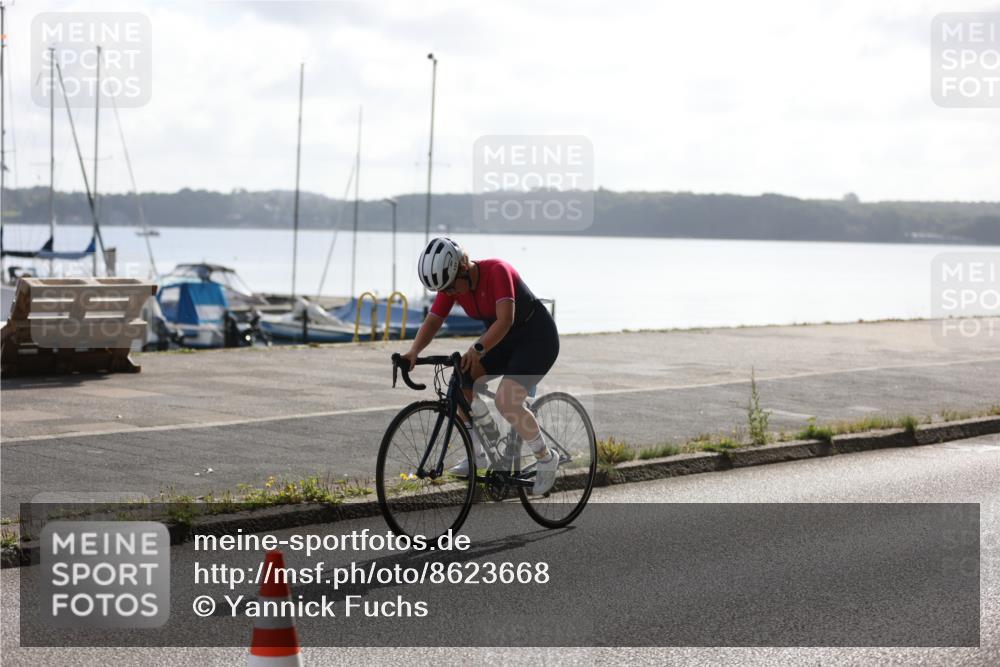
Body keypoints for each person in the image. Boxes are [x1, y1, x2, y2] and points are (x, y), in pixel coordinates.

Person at [400, 237, 560, 495]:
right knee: (460, 379)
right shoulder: (452, 284)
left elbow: (505, 320)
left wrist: (478, 348)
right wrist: (413, 352)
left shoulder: (497, 271)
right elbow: (433, 321)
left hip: (536, 339)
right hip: (501, 342)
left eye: (451, 288)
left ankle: (545, 458)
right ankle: (479, 454)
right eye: (446, 291)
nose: (450, 294)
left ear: (463, 267)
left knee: (506, 401)